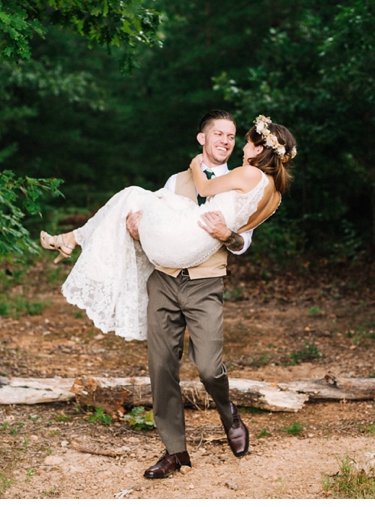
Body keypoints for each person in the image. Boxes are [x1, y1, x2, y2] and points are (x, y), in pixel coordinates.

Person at [40, 112, 296, 479]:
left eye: (233, 135)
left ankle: (229, 413)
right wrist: (134, 229)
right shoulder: (176, 181)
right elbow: (155, 227)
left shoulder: (246, 182)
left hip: (204, 283)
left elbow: (242, 243)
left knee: (208, 367)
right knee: (161, 367)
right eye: (219, 134)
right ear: (202, 139)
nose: (227, 141)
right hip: (163, 281)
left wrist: (226, 234)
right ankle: (175, 451)